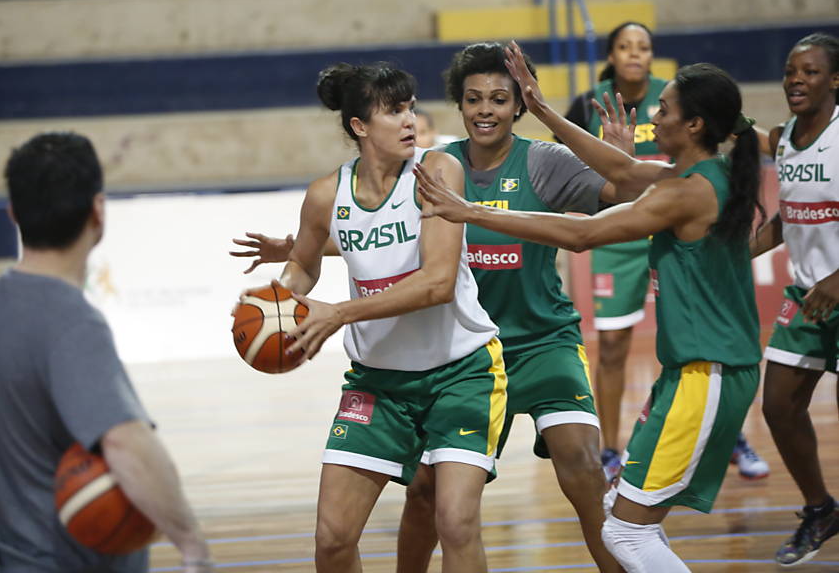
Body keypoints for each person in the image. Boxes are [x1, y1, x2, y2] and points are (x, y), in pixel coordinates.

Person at [232, 42, 639, 572]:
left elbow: (439, 280)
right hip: (395, 371)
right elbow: (353, 242)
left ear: (518, 105)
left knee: (571, 471)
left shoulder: (478, 168)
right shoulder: (368, 182)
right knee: (383, 514)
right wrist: (288, 278)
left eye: (499, 98)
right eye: (474, 98)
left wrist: (614, 155)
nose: (409, 119)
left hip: (509, 351)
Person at [415, 42, 765, 571]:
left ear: (693, 125)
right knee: (622, 523)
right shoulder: (686, 178)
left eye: (663, 110)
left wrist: (472, 212)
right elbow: (624, 169)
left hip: (703, 369)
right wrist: (543, 109)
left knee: (623, 528)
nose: (654, 117)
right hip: (685, 369)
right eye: (473, 98)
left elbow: (585, 232)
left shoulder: (685, 191)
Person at [245, 61, 506, 573]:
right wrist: (276, 304)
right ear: (360, 127)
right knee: (333, 537)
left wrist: (339, 313)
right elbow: (303, 261)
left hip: (461, 374)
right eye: (394, 111)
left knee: (455, 523)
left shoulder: (438, 173)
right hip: (379, 383)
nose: (409, 119)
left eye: (409, 107)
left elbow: (437, 282)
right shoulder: (326, 194)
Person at [0, 132, 213, 572]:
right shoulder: (74, 323)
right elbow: (125, 442)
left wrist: (1, 495)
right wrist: (193, 546)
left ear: (15, 214)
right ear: (98, 212)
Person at [563, 21, 768, 482]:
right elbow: (604, 173)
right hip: (623, 233)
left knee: (697, 330)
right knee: (614, 347)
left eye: (644, 46)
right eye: (625, 46)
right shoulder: (589, 103)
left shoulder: (682, 96)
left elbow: (634, 178)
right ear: (612, 55)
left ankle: (723, 430)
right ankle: (611, 448)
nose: (635, 54)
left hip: (673, 221)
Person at [752, 32, 839, 566]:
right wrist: (738, 252)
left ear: (835, 80)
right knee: (779, 405)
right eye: (790, 71)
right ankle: (820, 510)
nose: (795, 81)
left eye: (809, 72)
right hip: (808, 297)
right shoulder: (785, 139)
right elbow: (790, 219)